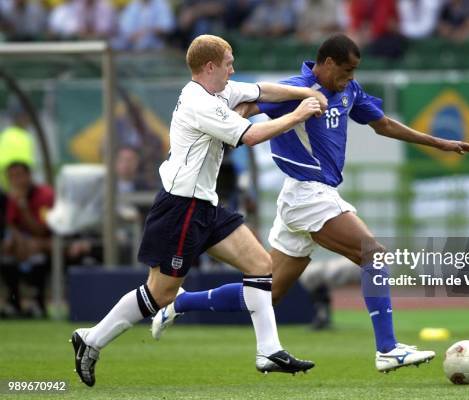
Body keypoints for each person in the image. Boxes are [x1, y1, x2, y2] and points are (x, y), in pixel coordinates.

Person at [151, 34, 469, 373]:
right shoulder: (296, 90)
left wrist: (439, 142)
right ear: (327, 63)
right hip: (308, 193)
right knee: (374, 255)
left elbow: (381, 124)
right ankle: (388, 349)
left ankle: (179, 303)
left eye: (355, 71)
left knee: (269, 292)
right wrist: (222, 127)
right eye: (346, 70)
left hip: (305, 196)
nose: (351, 77)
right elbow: (246, 108)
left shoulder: (348, 90)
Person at [70, 34, 327, 387]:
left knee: (260, 266)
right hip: (181, 207)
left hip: (205, 203)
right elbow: (250, 136)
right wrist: (300, 113)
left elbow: (261, 90)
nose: (232, 68)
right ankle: (92, 339)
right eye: (228, 62)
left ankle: (269, 350)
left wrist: (305, 92)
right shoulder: (199, 102)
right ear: (210, 67)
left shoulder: (219, 91)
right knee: (161, 294)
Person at [0, 162, 54, 318]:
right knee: (6, 254)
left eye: (19, 176)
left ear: (29, 176)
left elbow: (41, 230)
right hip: (23, 244)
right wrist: (19, 242)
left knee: (37, 254)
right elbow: (12, 225)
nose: (15, 181)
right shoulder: (12, 197)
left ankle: (37, 302)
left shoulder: (45, 195)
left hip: (47, 243)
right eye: (11, 177)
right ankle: (13, 303)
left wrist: (23, 206)